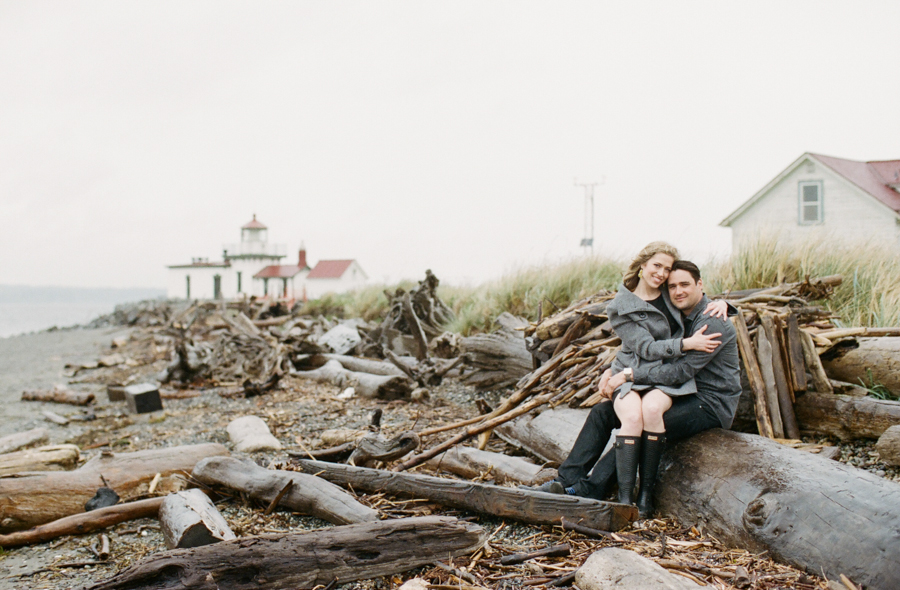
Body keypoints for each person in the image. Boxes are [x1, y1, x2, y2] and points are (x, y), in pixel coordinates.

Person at [540, 259, 741, 519]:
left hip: (709, 402)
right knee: (604, 413)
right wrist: (613, 370)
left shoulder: (712, 321)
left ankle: (592, 490)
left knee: (642, 421)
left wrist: (628, 375)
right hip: (678, 392)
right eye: (672, 286)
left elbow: (680, 371)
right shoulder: (681, 312)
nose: (678, 291)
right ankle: (565, 479)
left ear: (700, 285)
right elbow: (638, 347)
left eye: (685, 285)